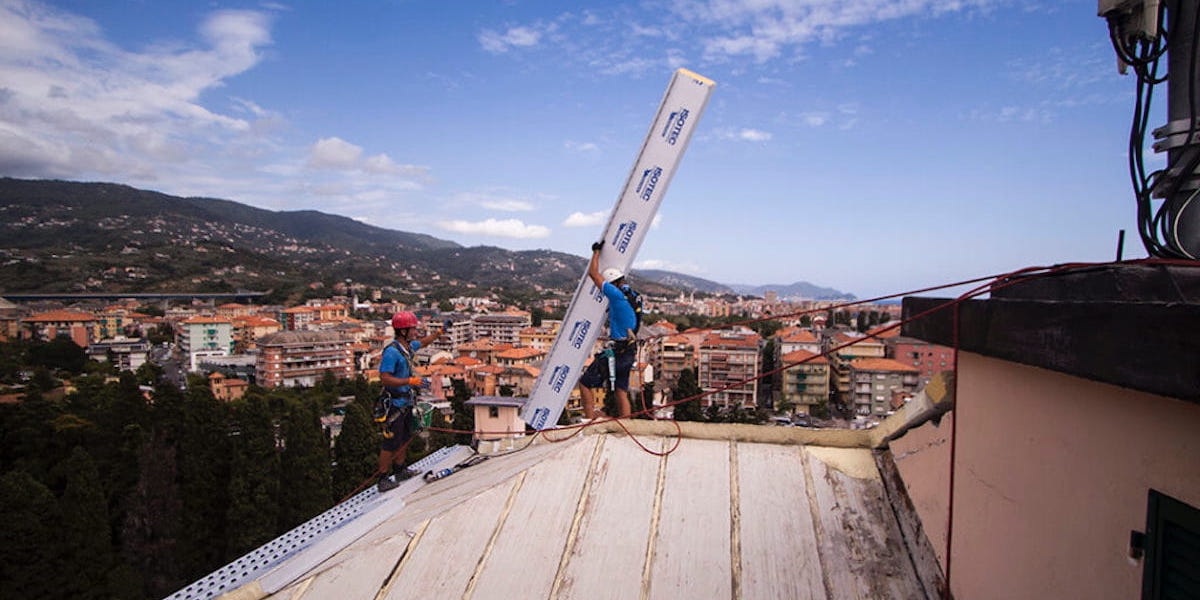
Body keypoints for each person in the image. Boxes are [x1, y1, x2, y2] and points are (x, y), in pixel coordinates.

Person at [376, 310, 441, 492]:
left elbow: (423, 342)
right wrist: (409, 381)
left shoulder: (408, 347)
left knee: (404, 438)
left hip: (405, 402)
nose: (415, 331)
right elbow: (385, 378)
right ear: (403, 330)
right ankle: (382, 478)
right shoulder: (392, 352)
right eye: (412, 328)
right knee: (390, 443)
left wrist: (439, 333)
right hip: (394, 404)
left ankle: (400, 470)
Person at [576, 241, 638, 419]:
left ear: (613, 284)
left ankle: (589, 420)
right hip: (629, 352)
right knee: (621, 391)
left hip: (617, 352)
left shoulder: (616, 295)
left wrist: (596, 252)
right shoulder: (632, 296)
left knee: (585, 383)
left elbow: (594, 275)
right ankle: (626, 423)